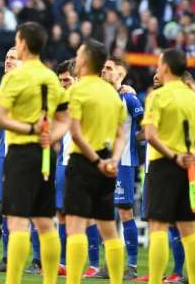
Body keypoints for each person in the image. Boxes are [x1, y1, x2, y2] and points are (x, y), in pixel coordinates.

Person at [0, 22, 70, 284]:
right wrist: (52, 136)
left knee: (17, 223)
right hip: (45, 156)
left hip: (21, 155)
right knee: (45, 223)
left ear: (22, 43)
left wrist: (30, 129)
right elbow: (65, 118)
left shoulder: (14, 77)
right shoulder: (50, 77)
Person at [64, 39, 127, 284]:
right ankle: (116, 280)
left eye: (79, 54)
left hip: (83, 163)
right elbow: (121, 135)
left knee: (76, 227)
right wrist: (111, 160)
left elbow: (76, 134)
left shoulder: (77, 91)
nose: (77, 58)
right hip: (108, 163)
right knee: (109, 228)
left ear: (85, 60)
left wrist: (95, 161)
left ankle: (73, 281)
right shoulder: (112, 94)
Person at [142, 48, 195, 284]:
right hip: (190, 166)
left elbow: (150, 135)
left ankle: (155, 280)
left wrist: (173, 156)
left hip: (164, 165)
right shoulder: (192, 96)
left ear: (165, 67)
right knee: (189, 229)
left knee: (159, 227)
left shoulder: (157, 96)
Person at [98, 57, 144, 280]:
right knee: (103, 213)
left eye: (109, 68)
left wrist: (131, 141)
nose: (104, 71)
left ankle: (132, 266)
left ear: (121, 73)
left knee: (125, 212)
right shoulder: (101, 95)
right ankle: (110, 264)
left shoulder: (129, 98)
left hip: (123, 163)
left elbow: (147, 126)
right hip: (100, 162)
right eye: (104, 67)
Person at [0, 47, 20, 273]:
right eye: (6, 57)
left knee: (27, 211)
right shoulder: (4, 87)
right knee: (7, 209)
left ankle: (35, 260)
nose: (7, 61)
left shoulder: (29, 87)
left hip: (23, 155)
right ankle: (8, 258)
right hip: (4, 154)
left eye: (13, 58)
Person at [54, 58, 77, 277]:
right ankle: (62, 262)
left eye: (67, 80)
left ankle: (94, 264)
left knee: (82, 215)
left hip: (83, 163)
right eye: (60, 80)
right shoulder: (61, 100)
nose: (63, 84)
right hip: (64, 161)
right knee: (61, 213)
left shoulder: (87, 97)